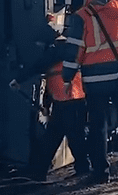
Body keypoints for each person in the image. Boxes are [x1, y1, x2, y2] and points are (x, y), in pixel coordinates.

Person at [61, 0, 118, 185]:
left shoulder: (82, 15)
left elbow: (75, 50)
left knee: (99, 124)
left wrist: (67, 76)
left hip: (96, 80)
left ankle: (100, 173)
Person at [11, 34, 90, 181]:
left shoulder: (55, 52)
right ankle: (82, 169)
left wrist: (18, 80)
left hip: (65, 101)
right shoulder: (75, 51)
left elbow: (37, 67)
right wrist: (47, 105)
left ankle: (40, 172)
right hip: (75, 100)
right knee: (71, 137)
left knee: (56, 138)